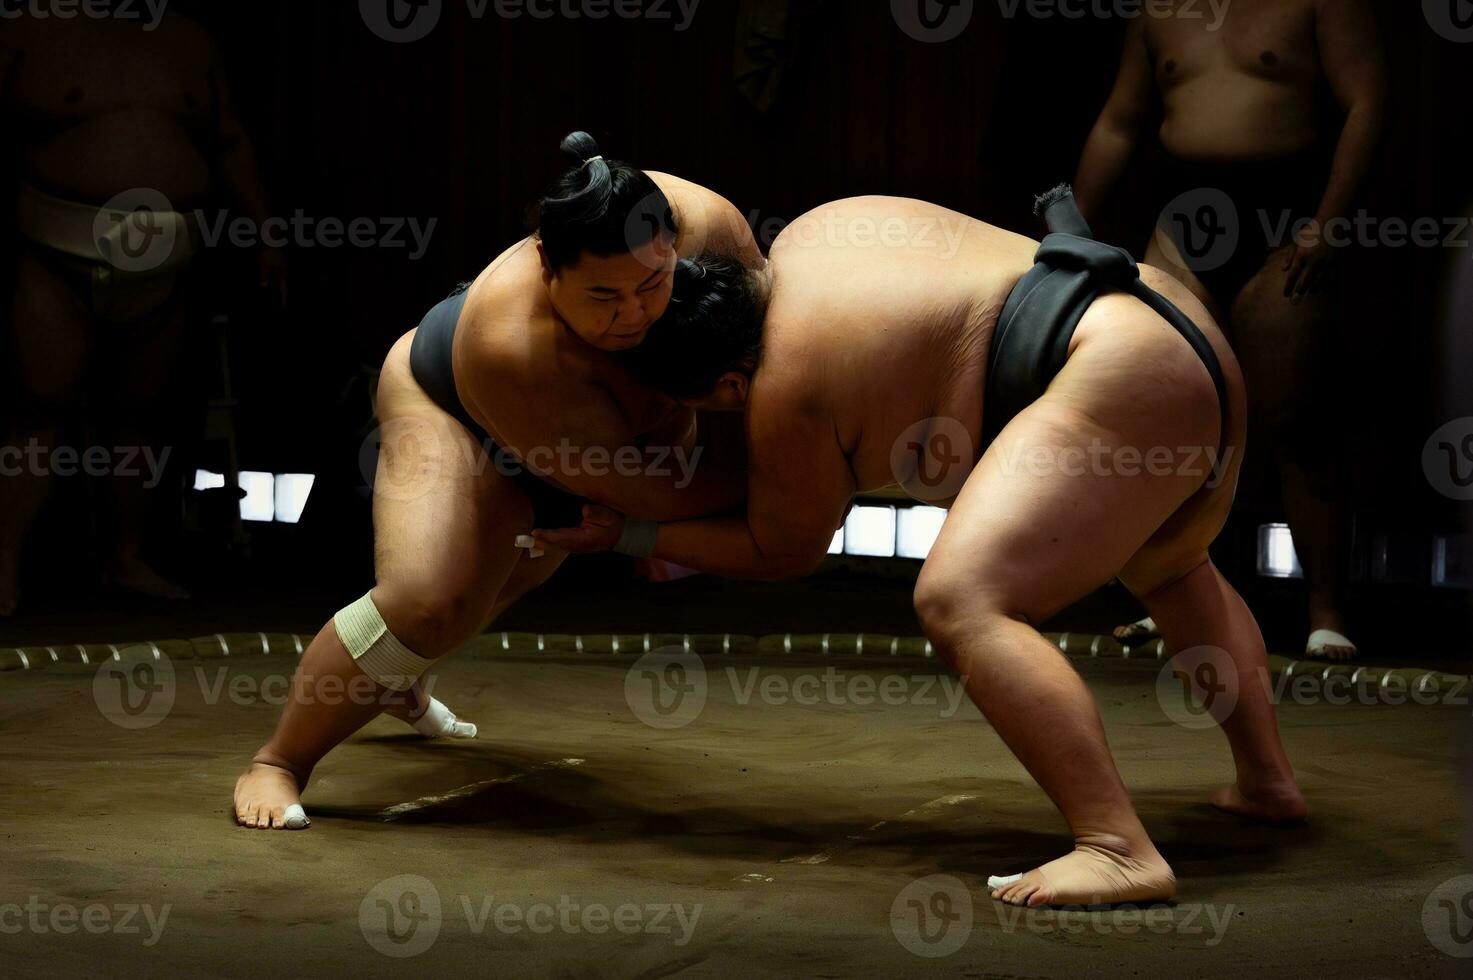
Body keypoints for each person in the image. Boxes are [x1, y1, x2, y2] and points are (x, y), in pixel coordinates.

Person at [534, 191, 1305, 908]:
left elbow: (781, 549)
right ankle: (1266, 782)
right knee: (1171, 568)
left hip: (1111, 370)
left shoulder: (781, 388)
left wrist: (629, 534)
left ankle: (1117, 848)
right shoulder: (815, 231)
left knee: (960, 600)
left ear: (729, 388)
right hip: (1172, 318)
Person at [231, 132, 762, 830]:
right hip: (448, 402)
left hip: (605, 436)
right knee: (426, 601)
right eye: (603, 295)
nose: (634, 314)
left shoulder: (710, 226)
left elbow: (766, 351)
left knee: (507, 580)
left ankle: (398, 680)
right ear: (548, 265)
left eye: (652, 284)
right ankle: (278, 761)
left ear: (672, 242)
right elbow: (642, 492)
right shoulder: (508, 340)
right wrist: (772, 486)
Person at [1072, 0, 1387, 660]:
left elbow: (1368, 103)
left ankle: (1325, 612)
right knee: (1175, 418)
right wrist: (1069, 228)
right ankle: (1175, 600)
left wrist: (1329, 221)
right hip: (1184, 217)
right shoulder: (1159, 8)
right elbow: (1119, 122)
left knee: (1296, 421)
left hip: (1284, 217)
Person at [0, 6, 284, 616]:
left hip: (167, 264)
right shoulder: (27, 29)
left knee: (138, 417)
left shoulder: (188, 37)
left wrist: (264, 232)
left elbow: (228, 136)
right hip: (54, 255)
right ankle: (4, 566)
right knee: (36, 410)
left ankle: (124, 558)